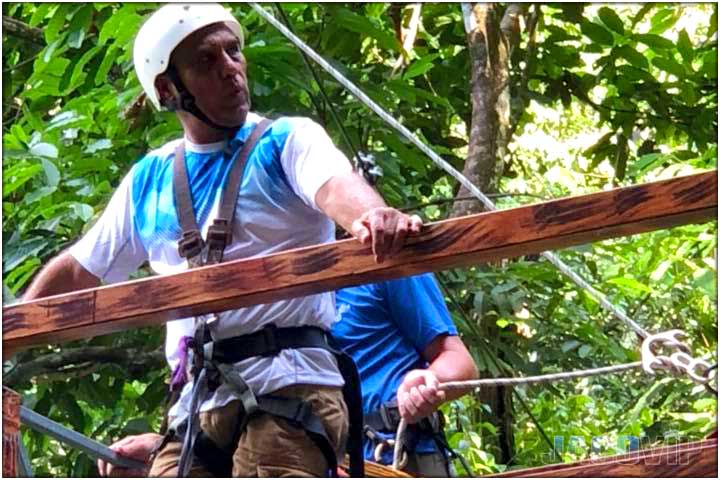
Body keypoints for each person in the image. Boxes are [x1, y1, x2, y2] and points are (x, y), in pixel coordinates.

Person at [23, 3, 423, 477]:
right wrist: (13, 328)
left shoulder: (286, 141)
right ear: (169, 90)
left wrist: (371, 215)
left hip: (289, 382)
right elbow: (80, 269)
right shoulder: (150, 179)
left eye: (234, 52)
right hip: (198, 403)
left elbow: (335, 185)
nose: (231, 69)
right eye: (207, 61)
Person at [332, 273, 478, 477]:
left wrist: (422, 382)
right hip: (333, 460)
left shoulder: (382, 266)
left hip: (401, 451)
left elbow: (461, 363)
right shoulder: (293, 300)